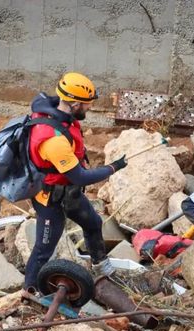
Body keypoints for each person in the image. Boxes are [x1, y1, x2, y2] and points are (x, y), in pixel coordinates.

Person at [23, 72, 127, 296]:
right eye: (88, 105)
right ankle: (28, 291)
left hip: (68, 192)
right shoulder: (52, 137)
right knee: (44, 248)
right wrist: (113, 168)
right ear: (76, 103)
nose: (89, 109)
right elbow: (79, 176)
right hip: (49, 198)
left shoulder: (64, 117)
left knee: (93, 223)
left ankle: (101, 267)